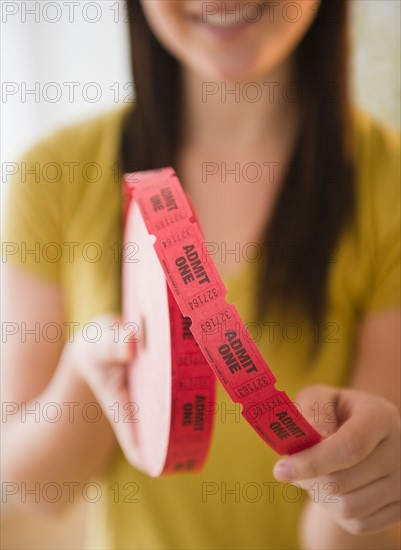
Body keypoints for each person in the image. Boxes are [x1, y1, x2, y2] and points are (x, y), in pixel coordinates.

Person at [2, 1, 400, 549]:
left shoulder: (391, 186)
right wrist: (85, 375)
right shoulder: (52, 175)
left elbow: (342, 535)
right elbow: (39, 491)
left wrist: (363, 486)